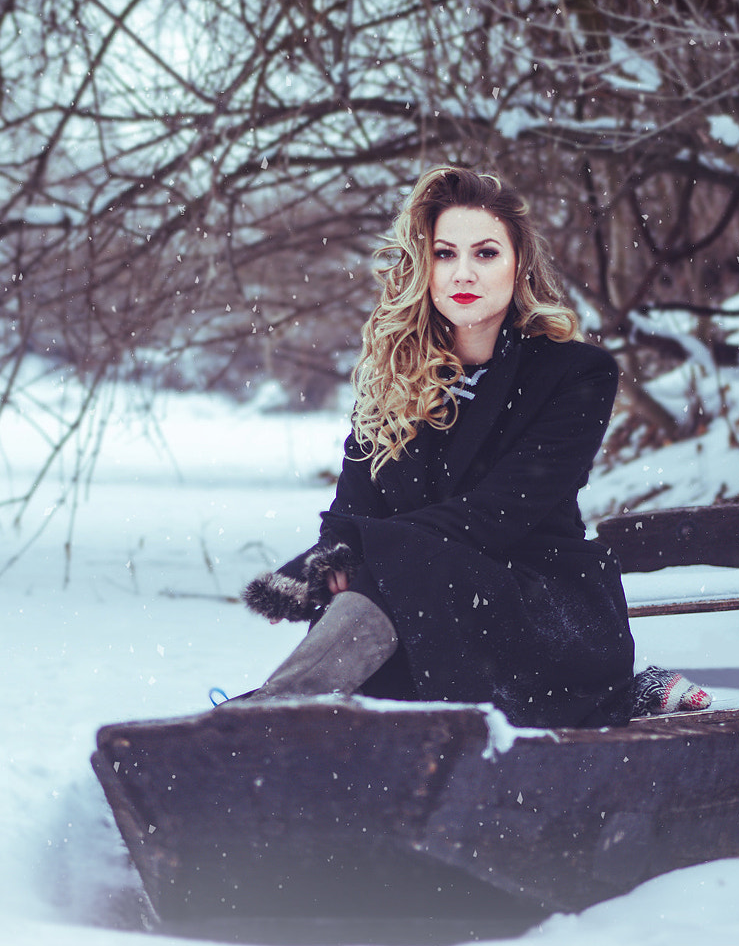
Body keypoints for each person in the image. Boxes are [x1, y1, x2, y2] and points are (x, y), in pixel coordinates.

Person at [237, 166, 640, 727]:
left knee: (393, 560)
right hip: (421, 618)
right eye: (445, 254)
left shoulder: (575, 373)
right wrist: (333, 555)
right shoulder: (391, 381)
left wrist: (357, 545)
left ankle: (269, 718)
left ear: (519, 263)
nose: (463, 272)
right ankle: (283, 723)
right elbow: (354, 507)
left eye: (486, 253)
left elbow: (500, 513)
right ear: (422, 267)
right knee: (375, 567)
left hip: (541, 618)